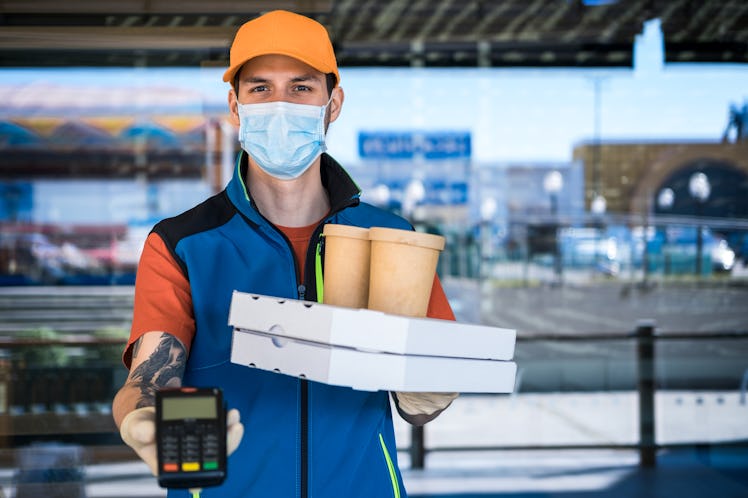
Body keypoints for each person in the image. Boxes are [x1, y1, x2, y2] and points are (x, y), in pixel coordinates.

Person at [112, 10, 458, 498]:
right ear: (235, 106)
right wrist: (139, 418)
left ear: (332, 103)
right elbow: (150, 376)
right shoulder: (182, 244)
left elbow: (423, 400)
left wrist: (430, 392)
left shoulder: (390, 237)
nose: (280, 104)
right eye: (260, 89)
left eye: (300, 88)